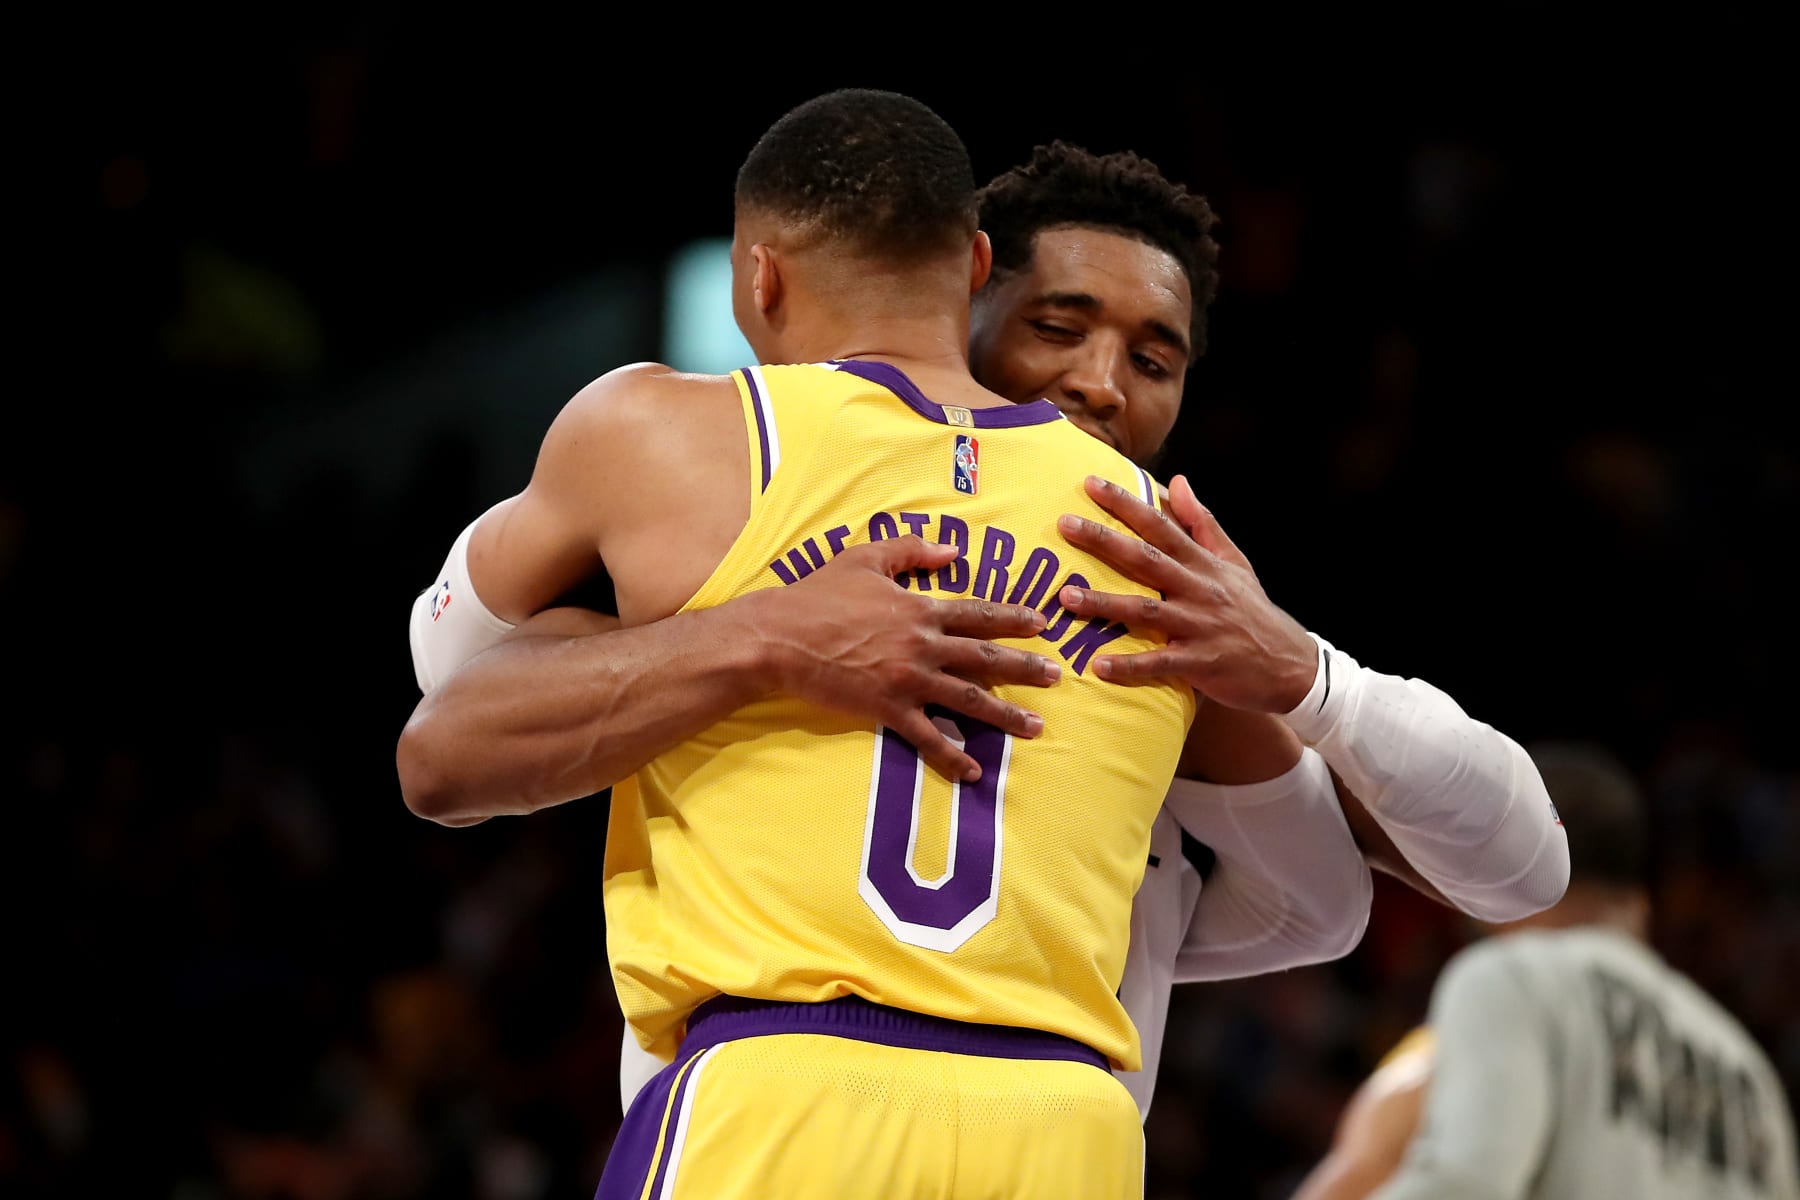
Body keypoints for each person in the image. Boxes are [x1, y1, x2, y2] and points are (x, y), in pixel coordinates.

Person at [398, 139, 1570, 1126]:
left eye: (1152, 358)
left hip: (835, 1113)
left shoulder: (1173, 582)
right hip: (985, 1116)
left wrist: (1305, 683)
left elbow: (1462, 878)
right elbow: (1326, 902)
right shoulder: (778, 479)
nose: (1101, 382)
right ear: (963, 295)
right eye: (1060, 325)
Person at [408, 87, 1202, 1199]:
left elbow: (441, 728)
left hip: (787, 1093)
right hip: (1073, 1127)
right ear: (976, 265)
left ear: (758, 277)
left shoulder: (671, 433)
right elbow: (1331, 890)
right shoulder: (1169, 539)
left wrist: (744, 633)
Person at [1291, 741, 1800, 1200]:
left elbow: (1464, 1184)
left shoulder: (1510, 979)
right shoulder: (1750, 1073)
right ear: (1638, 898)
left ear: (1493, 869)